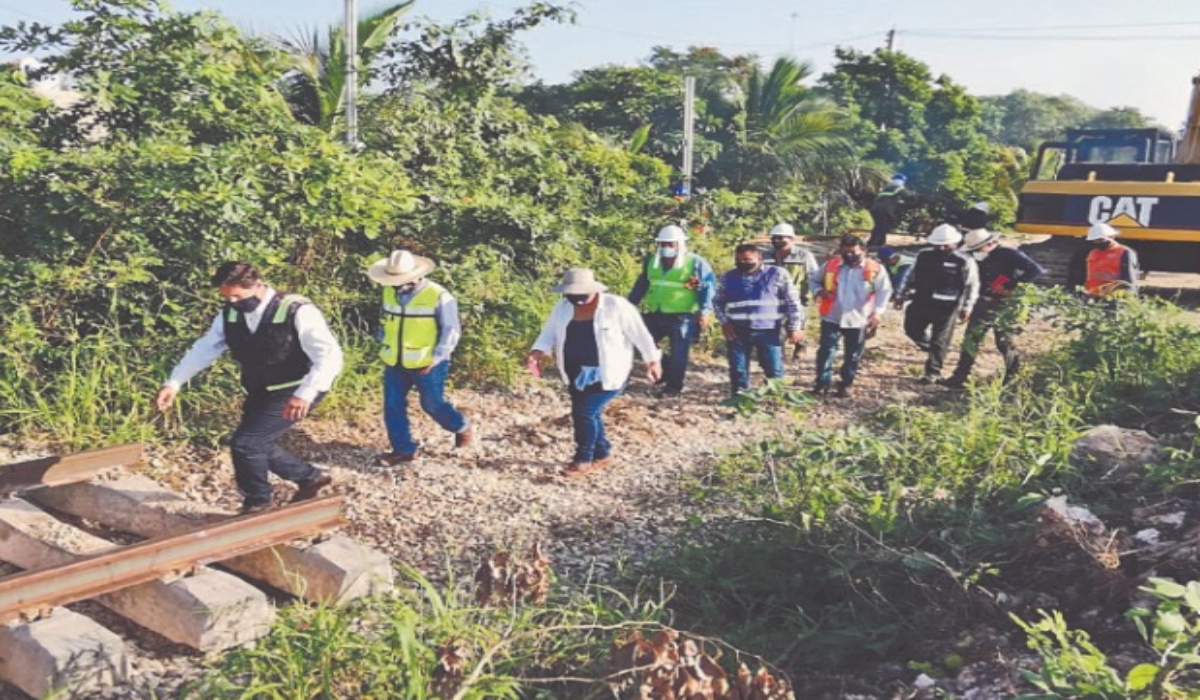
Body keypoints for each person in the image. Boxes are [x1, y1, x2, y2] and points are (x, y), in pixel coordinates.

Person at [154, 262, 342, 514]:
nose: (232, 302)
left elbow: (329, 356)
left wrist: (304, 394)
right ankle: (309, 478)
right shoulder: (230, 313)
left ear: (257, 285)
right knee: (255, 442)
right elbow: (205, 348)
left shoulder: (296, 310)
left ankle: (258, 503)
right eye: (226, 296)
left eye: (237, 296)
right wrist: (174, 382)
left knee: (246, 444)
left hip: (296, 388)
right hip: (260, 388)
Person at [527, 269, 662, 477]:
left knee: (583, 413)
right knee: (591, 413)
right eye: (572, 296)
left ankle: (583, 458)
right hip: (575, 372)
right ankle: (603, 453)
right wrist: (536, 352)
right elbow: (549, 333)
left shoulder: (615, 306)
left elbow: (640, 334)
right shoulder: (562, 307)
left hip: (609, 372)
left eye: (582, 295)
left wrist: (652, 361)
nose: (577, 300)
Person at [368, 250, 472, 466]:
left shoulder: (439, 296)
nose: (396, 284)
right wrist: (382, 341)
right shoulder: (389, 292)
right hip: (394, 361)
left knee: (432, 404)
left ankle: (460, 426)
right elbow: (385, 321)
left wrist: (437, 357)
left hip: (427, 363)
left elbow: (451, 330)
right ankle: (403, 449)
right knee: (392, 405)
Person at [941, 229, 1045, 388]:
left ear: (988, 244)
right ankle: (960, 376)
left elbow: (1035, 270)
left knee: (1004, 341)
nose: (975, 252)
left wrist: (1011, 286)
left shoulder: (1009, 254)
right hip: (982, 301)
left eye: (977, 249)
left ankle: (1012, 376)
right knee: (971, 339)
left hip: (1004, 303)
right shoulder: (974, 258)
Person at [627, 224, 718, 397]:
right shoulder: (652, 262)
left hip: (682, 315)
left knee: (679, 352)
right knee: (641, 343)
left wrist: (705, 311)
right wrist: (629, 305)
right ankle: (664, 371)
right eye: (663, 244)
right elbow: (642, 284)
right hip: (656, 312)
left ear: (680, 244)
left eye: (671, 244)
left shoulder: (695, 262)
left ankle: (673, 387)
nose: (667, 248)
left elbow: (708, 287)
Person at [713, 244, 805, 395]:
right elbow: (717, 301)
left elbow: (793, 302)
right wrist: (724, 322)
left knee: (773, 368)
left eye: (747, 259)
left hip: (769, 330)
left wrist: (795, 327)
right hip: (737, 330)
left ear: (759, 258)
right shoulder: (728, 277)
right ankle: (741, 398)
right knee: (738, 369)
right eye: (739, 260)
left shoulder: (777, 274)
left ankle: (775, 398)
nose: (743, 263)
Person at [810, 234, 893, 397]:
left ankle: (846, 384)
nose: (849, 255)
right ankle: (822, 383)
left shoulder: (875, 269)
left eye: (853, 252)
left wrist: (877, 313)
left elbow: (884, 291)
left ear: (863, 250)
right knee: (826, 351)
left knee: (853, 354)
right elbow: (814, 280)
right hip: (832, 316)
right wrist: (819, 291)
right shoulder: (831, 265)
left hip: (859, 318)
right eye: (845, 252)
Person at [898, 224, 979, 383]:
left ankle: (932, 372)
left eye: (946, 245)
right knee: (912, 329)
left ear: (955, 243)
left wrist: (967, 307)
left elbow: (972, 285)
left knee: (940, 339)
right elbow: (909, 275)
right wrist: (900, 294)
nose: (941, 247)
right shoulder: (923, 255)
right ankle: (932, 349)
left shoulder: (964, 260)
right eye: (938, 244)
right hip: (921, 301)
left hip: (947, 307)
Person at [1074, 223, 1140, 298]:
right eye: (1095, 240)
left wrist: (1126, 297)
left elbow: (1129, 281)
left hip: (1113, 297)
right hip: (1092, 295)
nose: (1097, 243)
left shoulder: (1124, 252)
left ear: (1112, 237)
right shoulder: (1093, 253)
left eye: (1100, 240)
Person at [868, 174, 907, 248]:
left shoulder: (887, 188)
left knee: (880, 226)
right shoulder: (899, 187)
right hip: (884, 210)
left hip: (875, 209)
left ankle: (880, 243)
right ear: (902, 181)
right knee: (881, 226)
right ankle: (873, 243)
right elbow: (908, 195)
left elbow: (888, 198)